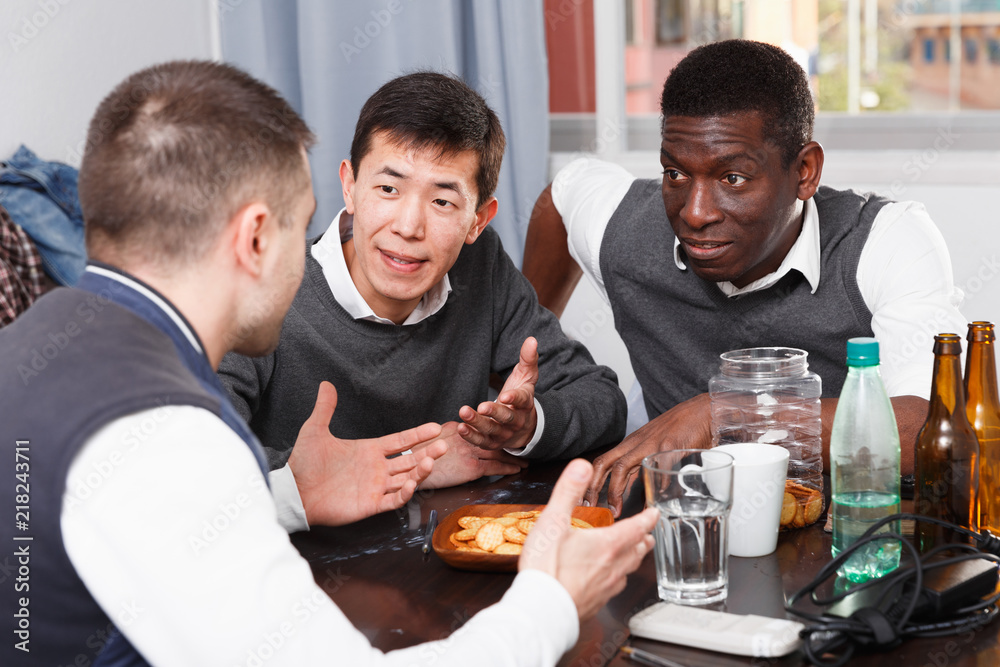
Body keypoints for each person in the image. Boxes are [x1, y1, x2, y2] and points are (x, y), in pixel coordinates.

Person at [0, 60, 657, 665]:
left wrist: (293, 493)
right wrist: (549, 598)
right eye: (305, 222)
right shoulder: (164, 431)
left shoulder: (45, 337)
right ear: (257, 236)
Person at [522, 39, 967, 516]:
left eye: (732, 178)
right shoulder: (624, 226)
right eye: (675, 172)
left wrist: (725, 416)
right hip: (677, 530)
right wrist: (524, 355)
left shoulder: (885, 241)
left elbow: (932, 424)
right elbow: (562, 198)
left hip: (836, 535)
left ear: (805, 171)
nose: (694, 213)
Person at [218, 71, 627, 490]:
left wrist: (526, 426)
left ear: (477, 221)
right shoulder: (262, 284)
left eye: (442, 201)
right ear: (350, 186)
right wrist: (412, 465)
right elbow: (198, 457)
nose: (409, 227)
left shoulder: (479, 265)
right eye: (389, 189)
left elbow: (601, 400)